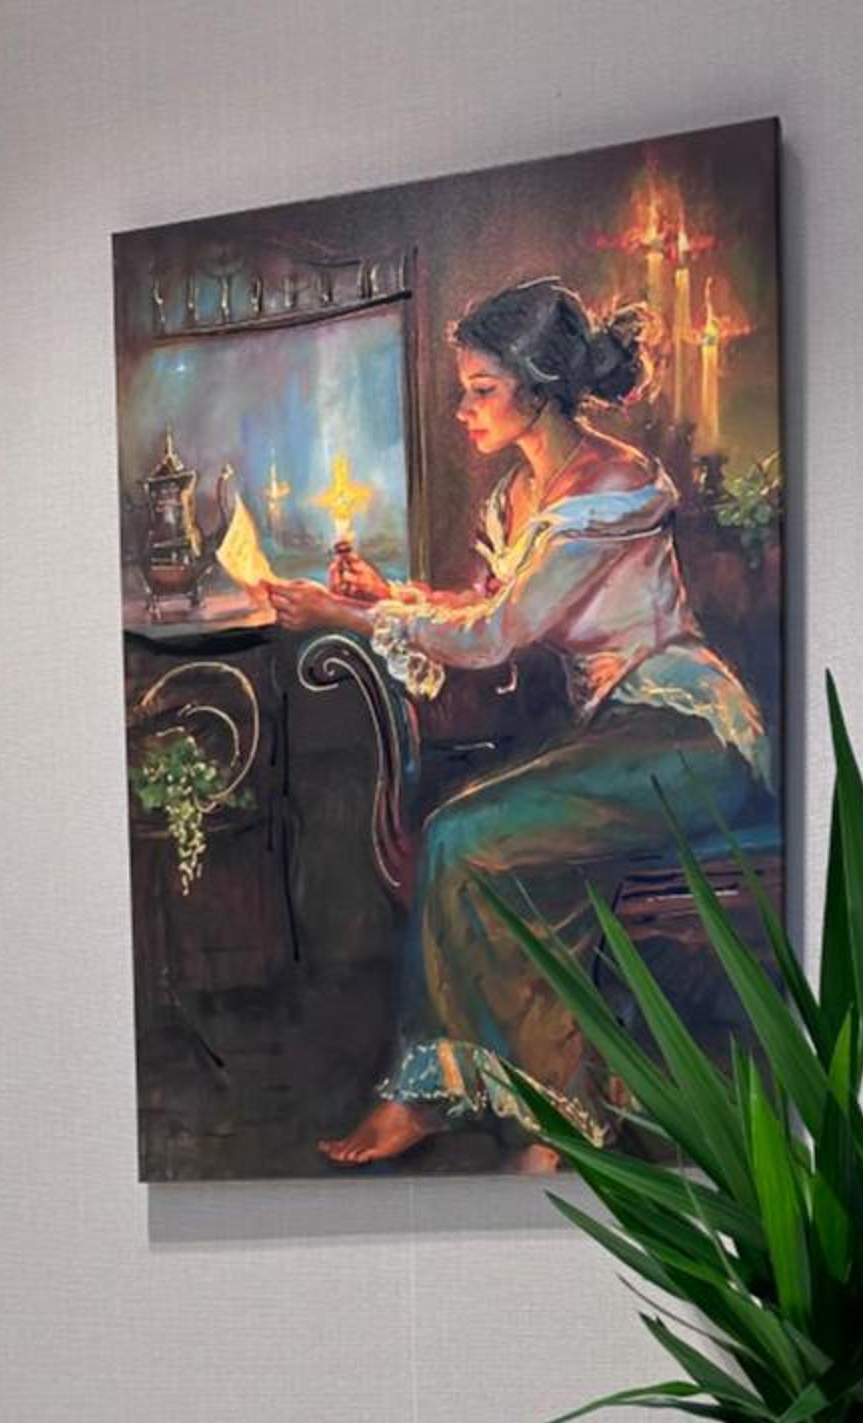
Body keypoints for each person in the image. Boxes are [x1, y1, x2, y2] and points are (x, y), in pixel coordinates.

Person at [265, 277, 771, 1169]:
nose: (463, 410)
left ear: (537, 391)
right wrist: (387, 597)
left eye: (482, 389)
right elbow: (490, 610)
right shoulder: (519, 496)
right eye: (464, 389)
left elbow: (498, 633)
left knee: (464, 833)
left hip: (691, 735)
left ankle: (457, 1102)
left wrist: (347, 618)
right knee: (486, 847)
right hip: (619, 737)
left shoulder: (609, 489)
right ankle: (558, 1110)